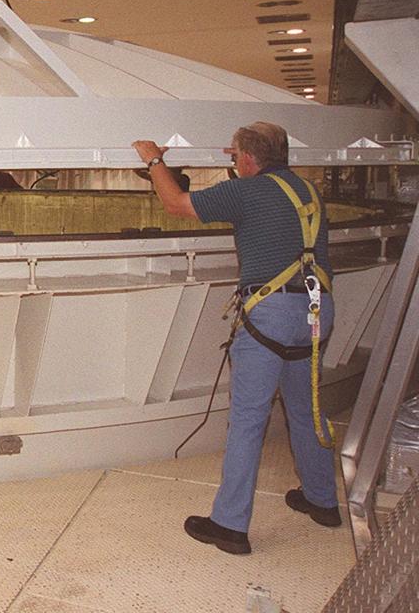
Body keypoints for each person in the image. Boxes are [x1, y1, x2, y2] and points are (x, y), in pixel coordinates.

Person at [133, 121, 339, 555]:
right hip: (315, 313)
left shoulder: (247, 191)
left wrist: (154, 160)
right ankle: (322, 501)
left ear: (247, 158)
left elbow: (176, 204)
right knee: (306, 410)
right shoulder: (307, 191)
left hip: (270, 315)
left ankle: (230, 525)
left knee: (248, 419)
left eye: (235, 158)